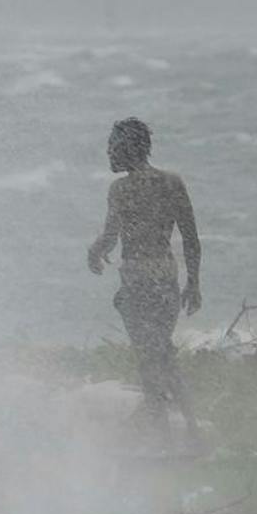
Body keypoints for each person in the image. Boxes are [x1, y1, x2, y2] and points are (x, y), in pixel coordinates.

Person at [87, 117, 202, 439]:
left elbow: (111, 236)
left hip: (137, 280)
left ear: (126, 148)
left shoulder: (121, 188)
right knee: (163, 352)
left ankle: (161, 432)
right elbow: (190, 237)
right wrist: (193, 283)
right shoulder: (172, 182)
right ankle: (190, 427)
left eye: (112, 147)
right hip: (166, 277)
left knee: (148, 358)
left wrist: (93, 252)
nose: (109, 153)